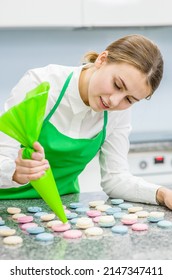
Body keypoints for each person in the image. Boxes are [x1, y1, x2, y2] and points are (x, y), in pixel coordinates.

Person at [0, 34, 172, 209]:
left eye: (129, 99)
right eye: (117, 85)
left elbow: (116, 178)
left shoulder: (117, 113)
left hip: (62, 209)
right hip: (5, 205)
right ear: (102, 60)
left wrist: (162, 193)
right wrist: (12, 171)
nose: (114, 101)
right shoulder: (41, 84)